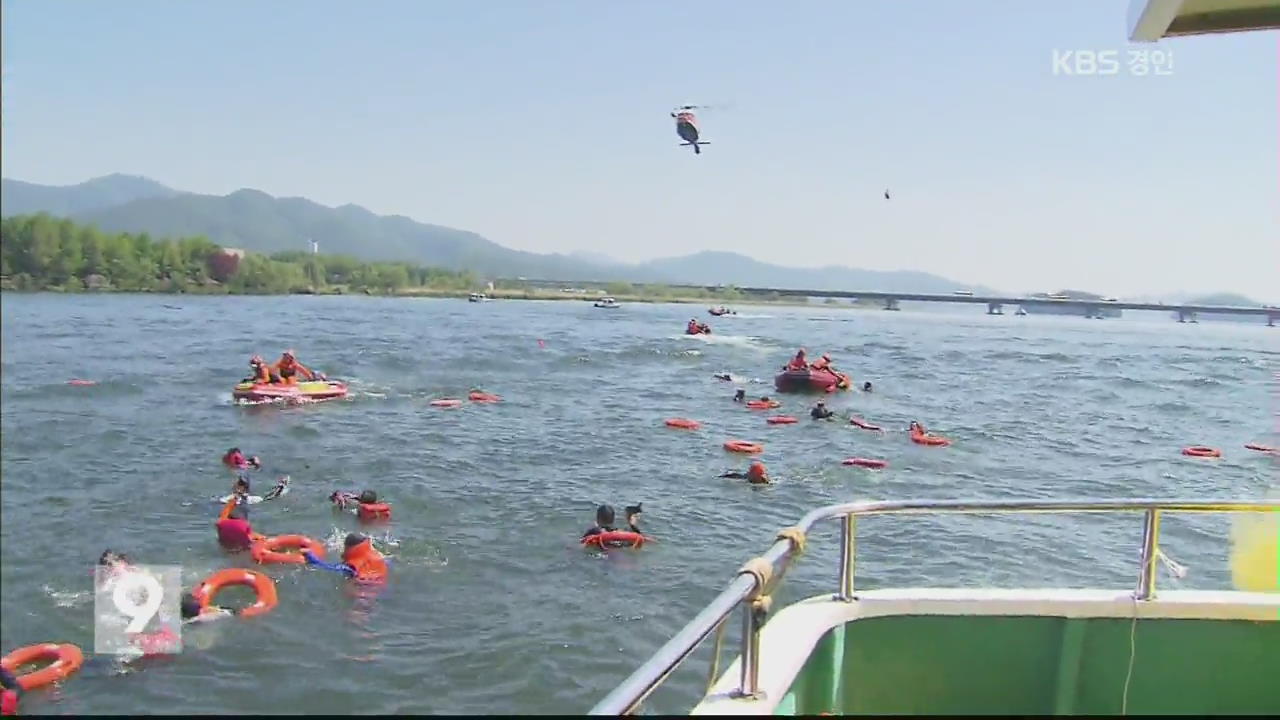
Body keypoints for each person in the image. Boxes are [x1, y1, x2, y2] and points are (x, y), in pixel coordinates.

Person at [302, 533, 388, 582]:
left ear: (349, 548)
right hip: (379, 584)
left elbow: (329, 568)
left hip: (361, 588)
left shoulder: (351, 566)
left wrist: (310, 557)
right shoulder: (378, 556)